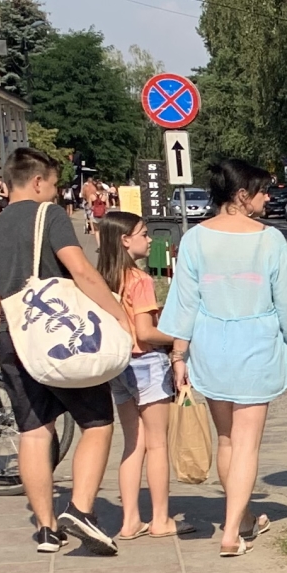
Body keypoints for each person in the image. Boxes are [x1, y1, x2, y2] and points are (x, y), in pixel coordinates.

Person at [160, 156, 287, 557]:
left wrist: (179, 355)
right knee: (246, 443)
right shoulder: (268, 239)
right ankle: (231, 533)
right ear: (243, 195)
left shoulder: (195, 238)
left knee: (227, 439)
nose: (268, 199)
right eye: (262, 191)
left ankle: (243, 517)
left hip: (210, 345)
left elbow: (184, 302)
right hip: (256, 344)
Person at [0, 146, 126, 556]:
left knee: (33, 431)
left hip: (16, 339)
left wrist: (15, 334)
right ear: (38, 181)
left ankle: (46, 529)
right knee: (96, 423)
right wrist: (119, 318)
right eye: (55, 184)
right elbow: (81, 271)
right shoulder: (50, 216)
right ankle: (80, 508)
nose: (57, 192)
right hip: (60, 337)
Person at [96, 209, 189, 539]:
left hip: (117, 365)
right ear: (125, 240)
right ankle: (161, 519)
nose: (150, 240)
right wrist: (179, 337)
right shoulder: (140, 280)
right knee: (157, 445)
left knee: (132, 443)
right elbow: (146, 332)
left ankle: (130, 520)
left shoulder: (102, 279)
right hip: (147, 363)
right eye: (144, 234)